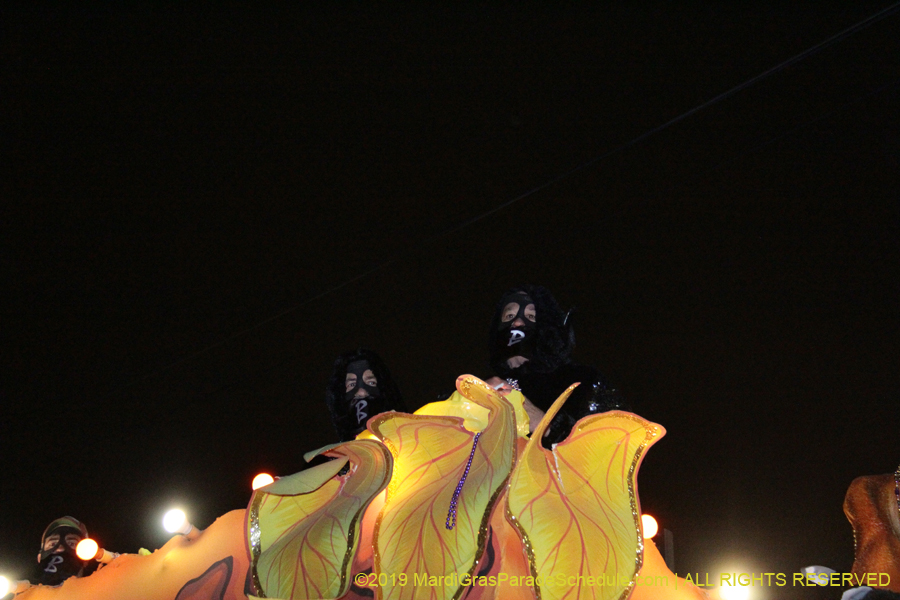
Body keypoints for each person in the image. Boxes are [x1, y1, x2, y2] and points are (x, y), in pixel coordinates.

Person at [485, 284, 627, 446]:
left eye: (531, 317)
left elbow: (612, 447)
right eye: (509, 315)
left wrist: (544, 424)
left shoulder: (582, 382)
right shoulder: (477, 387)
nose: (517, 323)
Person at [324, 348, 408, 442]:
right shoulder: (334, 455)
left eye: (371, 383)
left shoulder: (411, 445)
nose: (361, 392)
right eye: (351, 385)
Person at [32, 516, 96, 586]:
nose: (60, 549)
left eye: (72, 543)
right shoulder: (21, 594)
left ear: (86, 558)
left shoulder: (101, 595)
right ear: (39, 557)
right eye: (53, 544)